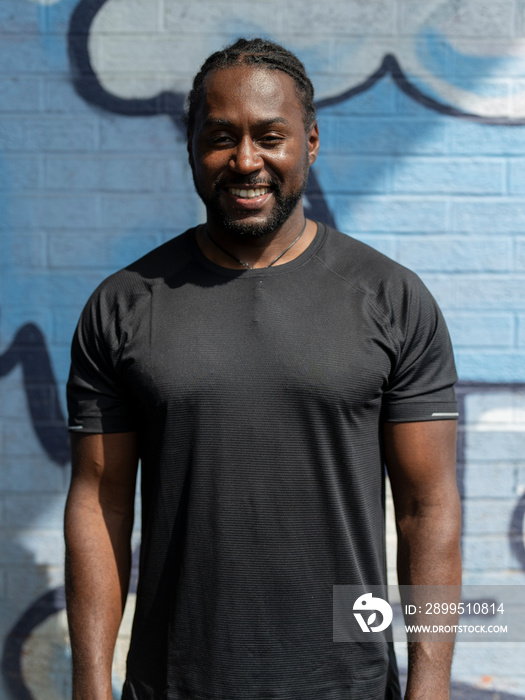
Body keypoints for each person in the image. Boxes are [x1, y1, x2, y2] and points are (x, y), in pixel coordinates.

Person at [64, 37, 461, 700]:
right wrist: (89, 684)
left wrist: (431, 686)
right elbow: (98, 503)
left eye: (268, 137)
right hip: (175, 685)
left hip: (349, 686)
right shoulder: (125, 305)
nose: (246, 161)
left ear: (308, 142)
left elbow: (428, 508)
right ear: (191, 146)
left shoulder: (390, 298)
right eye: (221, 137)